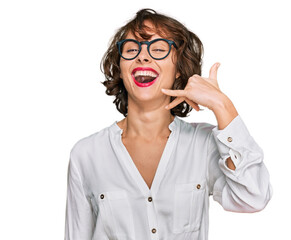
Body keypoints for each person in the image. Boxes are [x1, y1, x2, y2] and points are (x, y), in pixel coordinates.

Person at [65, 8, 273, 240]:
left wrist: (222, 105)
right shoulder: (86, 154)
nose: (143, 57)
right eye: (132, 49)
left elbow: (253, 196)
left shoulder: (203, 144)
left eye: (159, 49)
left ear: (177, 70)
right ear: (121, 70)